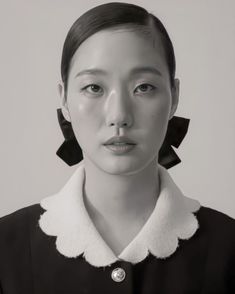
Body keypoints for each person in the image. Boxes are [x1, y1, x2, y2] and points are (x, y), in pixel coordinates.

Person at [0, 2, 235, 293]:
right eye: (94, 88)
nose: (119, 115)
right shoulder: (7, 249)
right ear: (64, 100)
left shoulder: (228, 248)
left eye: (144, 87)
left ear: (174, 96)